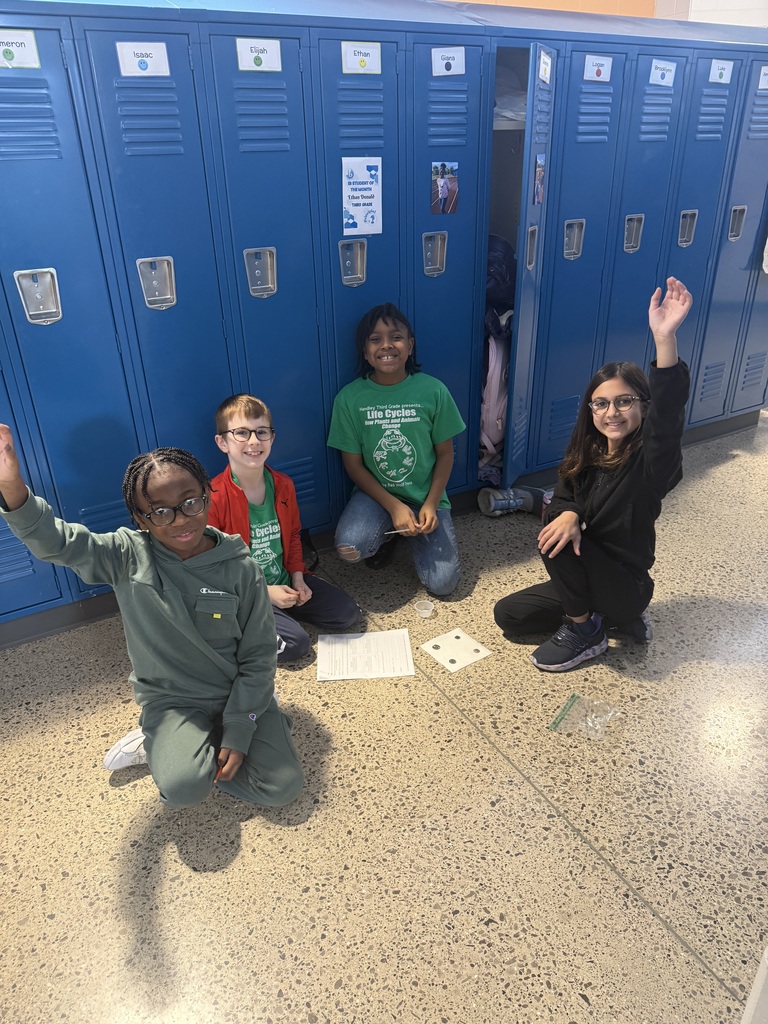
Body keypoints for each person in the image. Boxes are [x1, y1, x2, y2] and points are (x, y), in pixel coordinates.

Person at [0, 427, 303, 806]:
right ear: (140, 519)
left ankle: (233, 728)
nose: (179, 520)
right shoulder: (125, 555)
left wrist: (241, 727)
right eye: (159, 512)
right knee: (182, 789)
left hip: (234, 690)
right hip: (172, 701)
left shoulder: (241, 566)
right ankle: (159, 742)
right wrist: (11, 486)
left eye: (190, 502)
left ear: (208, 496)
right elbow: (57, 542)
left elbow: (259, 656)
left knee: (282, 789)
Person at [493, 276, 693, 671]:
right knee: (510, 615)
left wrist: (665, 340)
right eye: (600, 404)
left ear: (643, 405)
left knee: (558, 540)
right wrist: (568, 512)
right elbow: (565, 495)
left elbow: (667, 421)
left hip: (623, 583)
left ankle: (587, 631)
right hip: (585, 572)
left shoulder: (651, 464)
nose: (611, 412)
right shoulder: (586, 451)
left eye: (624, 401)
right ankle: (602, 618)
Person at [208, 393, 360, 663]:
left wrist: (298, 576)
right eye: (241, 433)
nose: (254, 441)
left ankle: (281, 610)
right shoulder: (214, 497)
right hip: (245, 594)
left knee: (346, 614)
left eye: (262, 432)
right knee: (295, 645)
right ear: (222, 442)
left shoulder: (283, 485)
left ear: (272, 438)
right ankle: (247, 623)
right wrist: (265, 594)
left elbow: (291, 537)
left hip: (283, 579)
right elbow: (213, 568)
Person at [327, 301, 466, 596]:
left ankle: (413, 531)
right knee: (350, 549)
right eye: (375, 339)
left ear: (410, 345)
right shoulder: (349, 398)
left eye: (396, 337)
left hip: (426, 496)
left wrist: (430, 504)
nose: (387, 346)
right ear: (364, 351)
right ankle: (392, 532)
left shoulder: (433, 390)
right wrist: (394, 506)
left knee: (443, 585)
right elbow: (353, 465)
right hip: (377, 496)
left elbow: (445, 454)